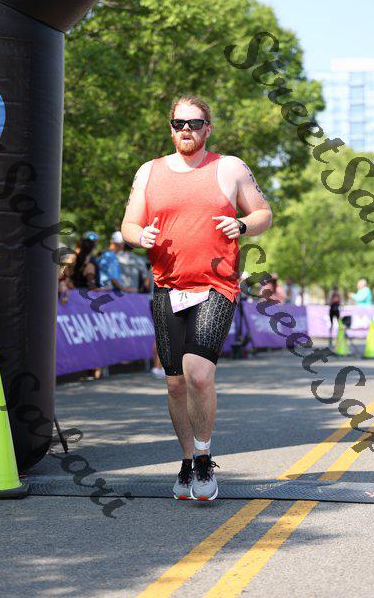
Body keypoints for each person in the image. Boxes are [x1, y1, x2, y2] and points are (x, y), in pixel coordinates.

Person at [121, 94, 272, 501]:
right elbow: (128, 225)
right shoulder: (149, 171)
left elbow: (263, 213)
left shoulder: (230, 167)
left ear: (208, 128)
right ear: (171, 128)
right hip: (167, 287)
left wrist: (242, 225)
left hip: (215, 286)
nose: (185, 129)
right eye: (178, 123)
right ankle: (187, 460)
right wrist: (139, 236)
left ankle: (204, 458)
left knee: (198, 374)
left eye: (194, 123)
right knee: (174, 384)